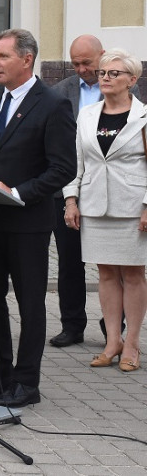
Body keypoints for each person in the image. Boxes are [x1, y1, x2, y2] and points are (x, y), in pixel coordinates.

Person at [0, 28, 76, 408]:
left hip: (28, 223)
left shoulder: (53, 104)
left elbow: (63, 169)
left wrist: (17, 192)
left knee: (30, 304)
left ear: (26, 59)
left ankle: (27, 382)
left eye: (3, 56)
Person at [63, 49, 146, 373]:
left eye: (114, 73)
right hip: (95, 204)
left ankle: (133, 344)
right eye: (103, 73)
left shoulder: (143, 115)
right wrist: (71, 200)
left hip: (131, 206)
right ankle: (113, 341)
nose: (106, 78)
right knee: (107, 274)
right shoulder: (87, 115)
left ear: (132, 80)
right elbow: (77, 163)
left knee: (134, 274)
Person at [48, 34, 105, 348]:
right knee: (70, 262)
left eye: (88, 63)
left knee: (112, 264)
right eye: (76, 63)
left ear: (103, 56)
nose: (82, 69)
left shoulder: (127, 87)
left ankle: (114, 327)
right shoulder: (60, 92)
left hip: (107, 189)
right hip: (66, 189)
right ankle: (72, 326)